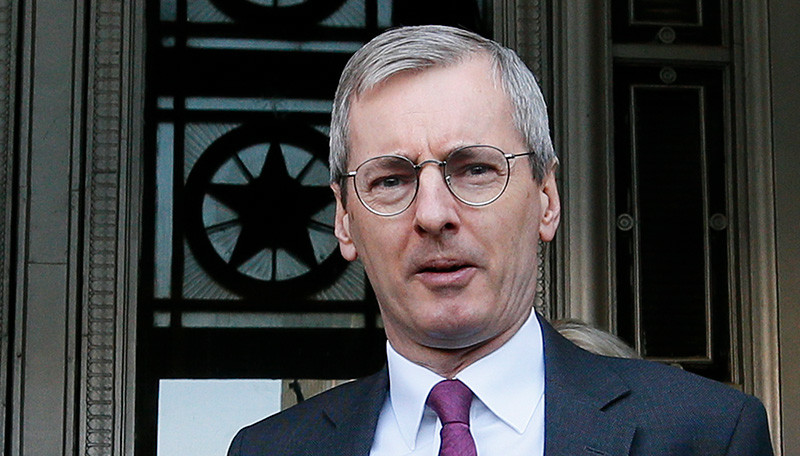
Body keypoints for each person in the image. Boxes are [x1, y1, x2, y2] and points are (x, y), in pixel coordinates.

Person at [228, 25, 774, 455]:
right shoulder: (269, 450)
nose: (433, 215)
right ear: (345, 220)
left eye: (475, 170)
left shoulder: (707, 434)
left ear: (546, 199)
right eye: (391, 180)